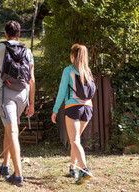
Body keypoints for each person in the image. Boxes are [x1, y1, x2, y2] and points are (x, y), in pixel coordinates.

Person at [0, 20, 35, 187]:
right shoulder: (27, 51)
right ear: (19, 34)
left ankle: (19, 176)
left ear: (5, 33)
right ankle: (5, 166)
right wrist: (32, 103)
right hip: (23, 94)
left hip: (5, 93)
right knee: (10, 128)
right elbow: (32, 79)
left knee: (12, 130)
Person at [51, 43, 94, 185]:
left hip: (73, 108)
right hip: (88, 108)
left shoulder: (68, 70)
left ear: (72, 56)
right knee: (76, 140)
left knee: (74, 140)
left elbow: (62, 92)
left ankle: (84, 169)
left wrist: (55, 110)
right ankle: (72, 168)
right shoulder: (87, 71)